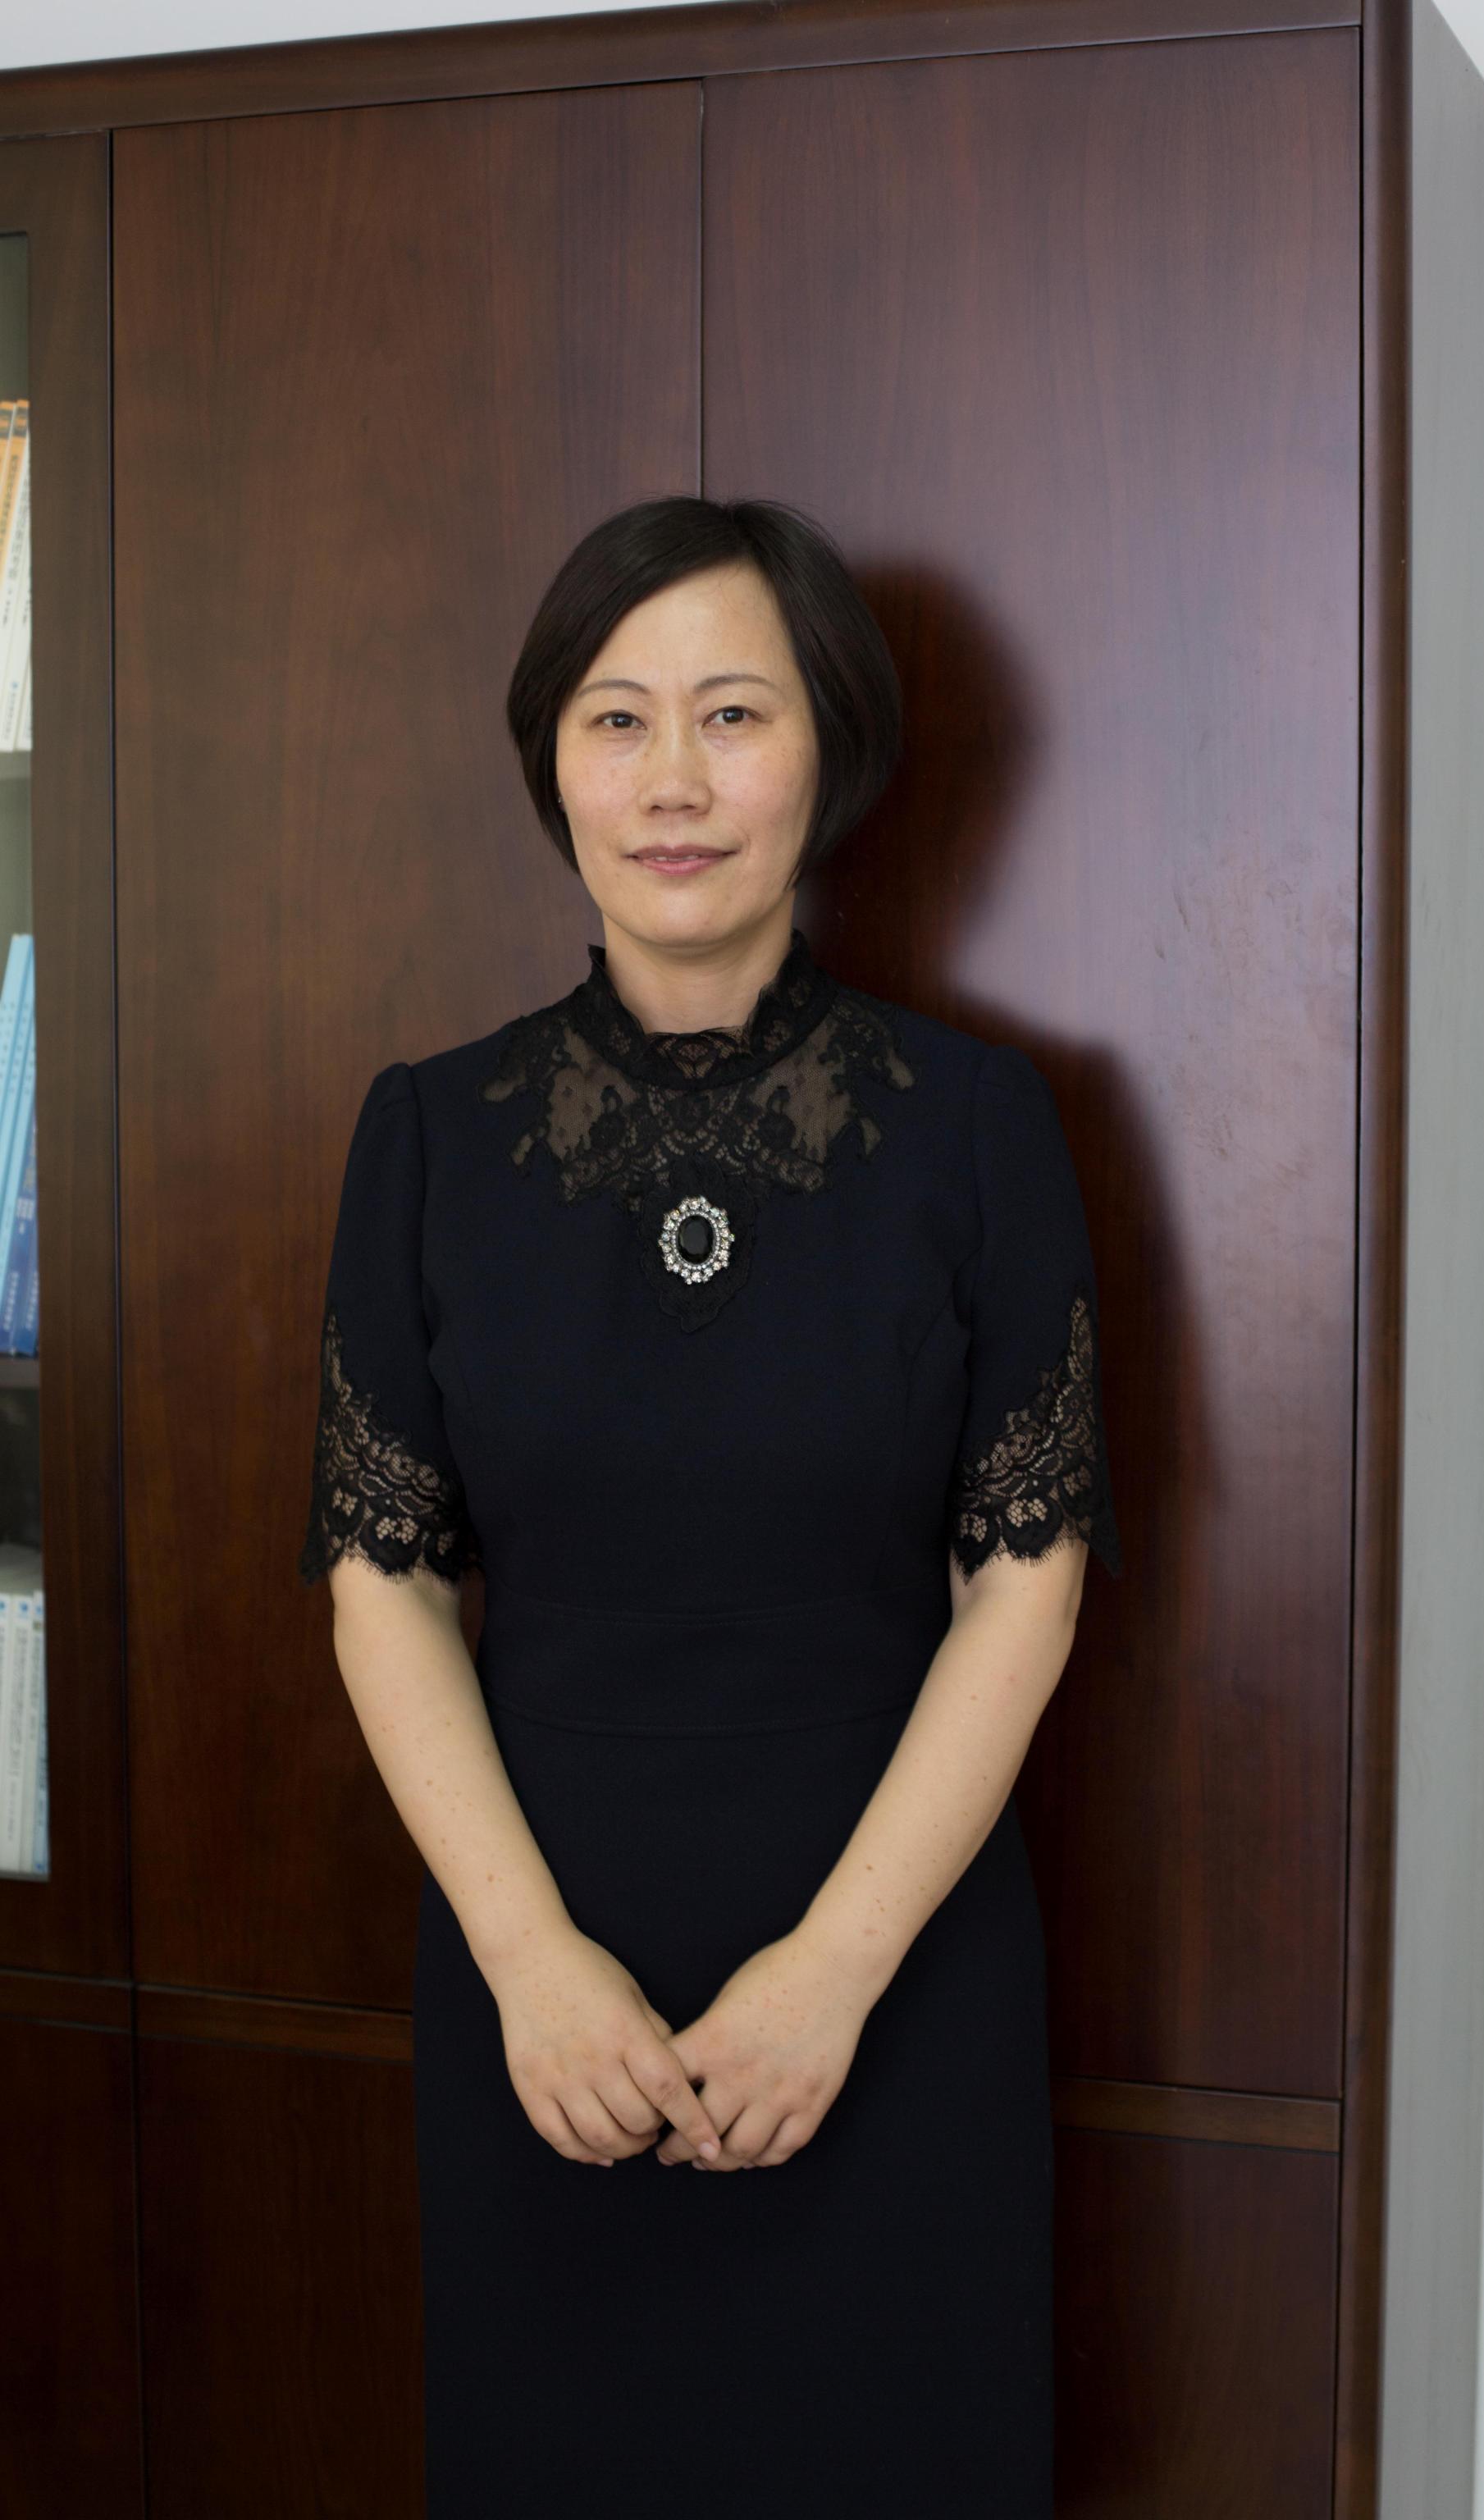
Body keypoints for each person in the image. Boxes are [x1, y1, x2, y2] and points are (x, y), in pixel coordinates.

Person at [299, 493, 1121, 2518]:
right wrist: (528, 1959)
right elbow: (381, 1581)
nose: (672, 781)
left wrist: (832, 1973)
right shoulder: (428, 1135)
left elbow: (1025, 1584)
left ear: (828, 752)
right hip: (544, 1993)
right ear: (552, 762)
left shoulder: (978, 1127)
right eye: (616, 718)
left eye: (733, 715)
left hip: (893, 1970)